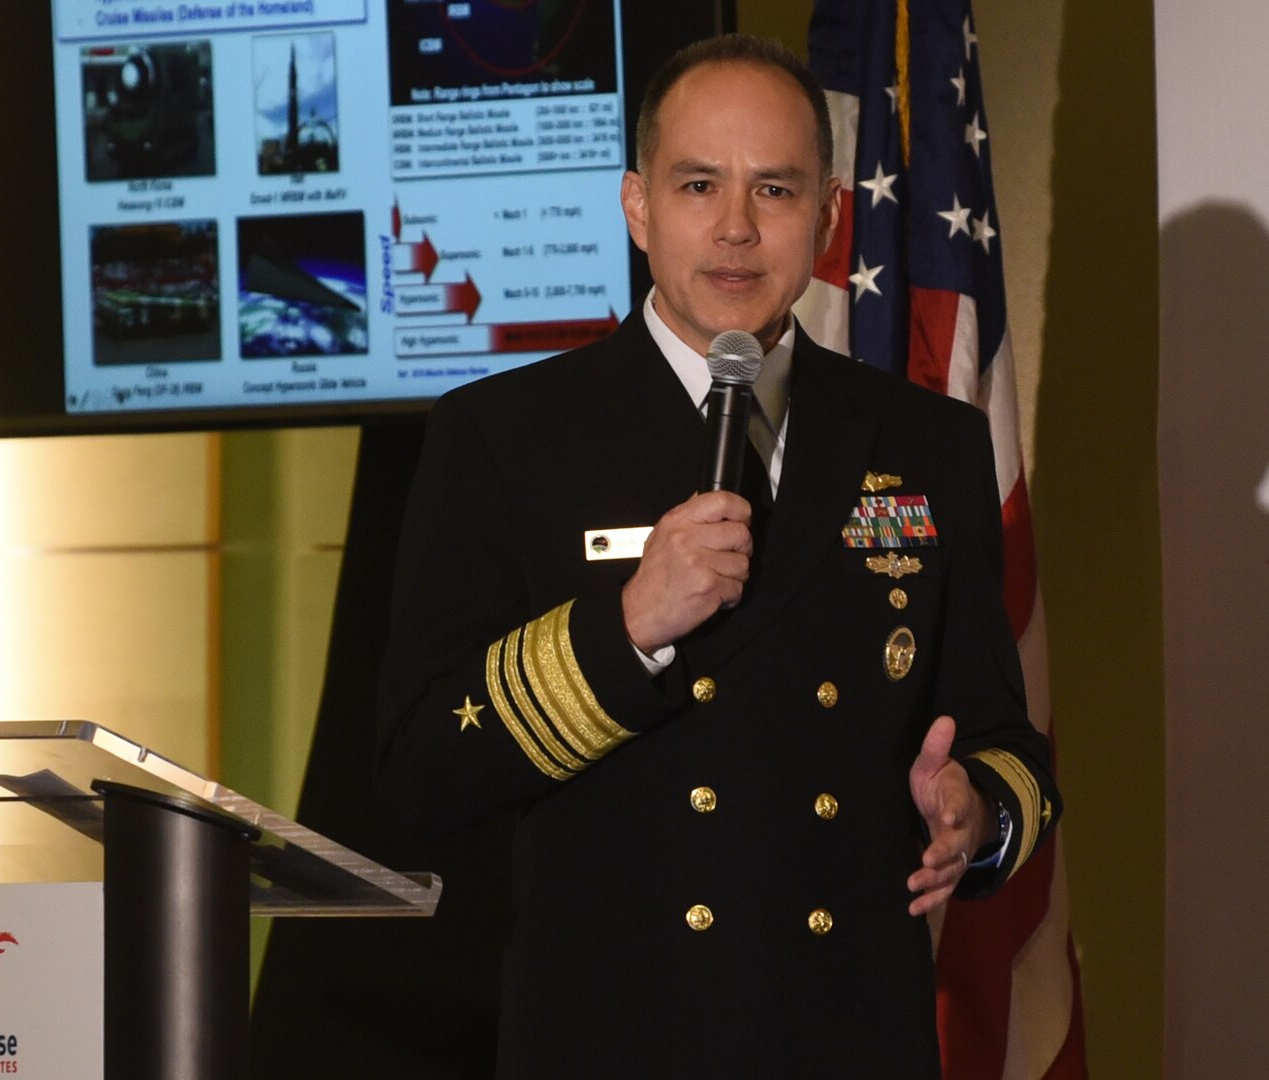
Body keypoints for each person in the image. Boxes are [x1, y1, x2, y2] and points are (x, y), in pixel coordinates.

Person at [376, 33, 1057, 1079]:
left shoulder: (926, 443)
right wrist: (627, 628)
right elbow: (420, 770)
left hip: (850, 1039)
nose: (736, 229)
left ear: (829, 217)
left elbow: (1011, 740)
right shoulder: (504, 437)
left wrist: (978, 810)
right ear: (637, 205)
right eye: (700, 185)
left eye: (775, 191)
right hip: (614, 1042)